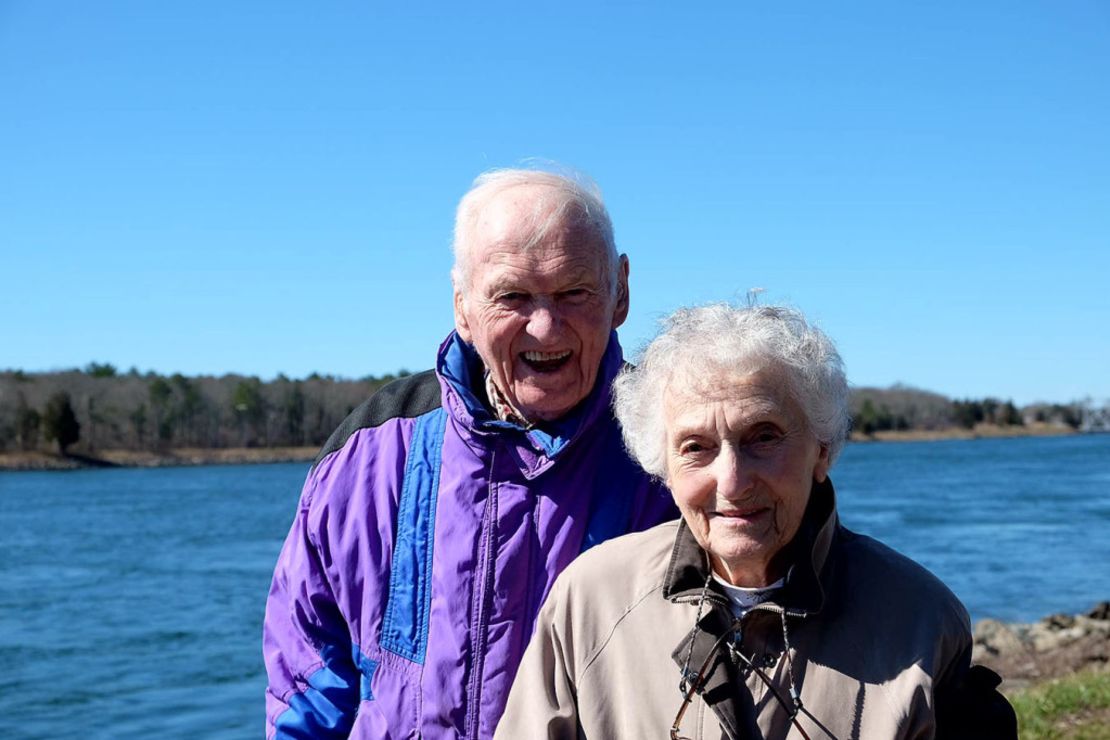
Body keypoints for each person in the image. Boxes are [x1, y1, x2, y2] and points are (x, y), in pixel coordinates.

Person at [263, 168, 677, 738]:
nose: (545, 327)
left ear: (621, 292)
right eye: (511, 296)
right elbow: (307, 677)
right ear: (462, 305)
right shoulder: (368, 454)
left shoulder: (680, 454)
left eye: (574, 291)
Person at [496, 303, 1017, 739]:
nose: (732, 481)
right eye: (695, 447)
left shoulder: (920, 620)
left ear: (822, 450)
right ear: (662, 466)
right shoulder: (590, 601)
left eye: (763, 437)